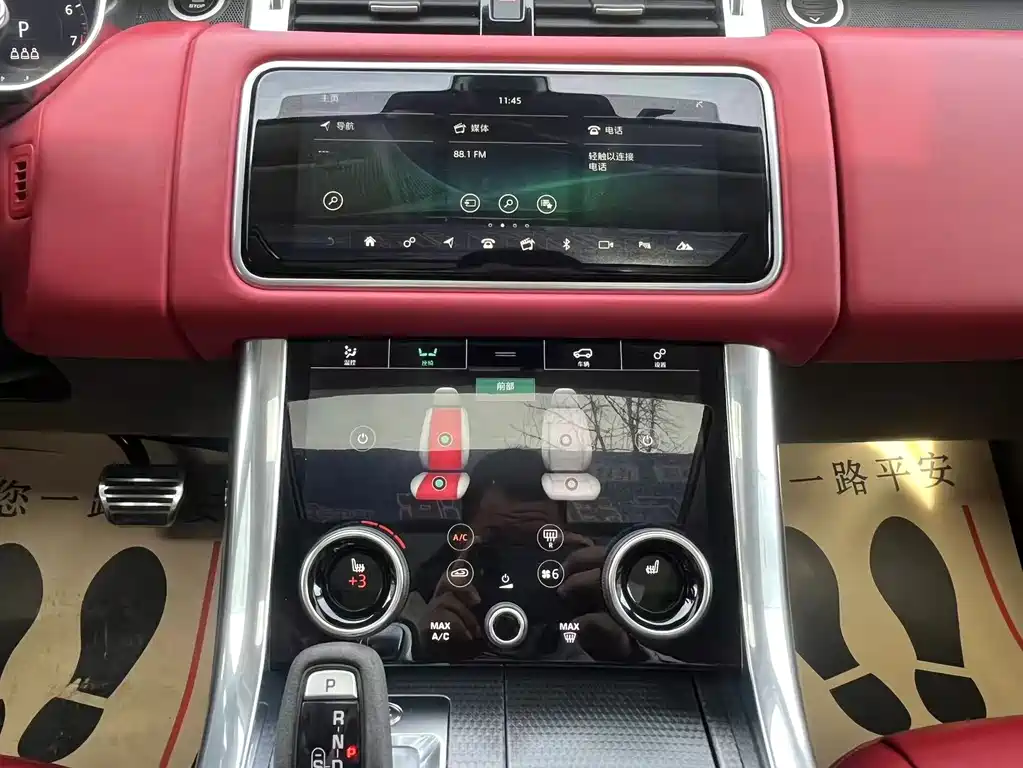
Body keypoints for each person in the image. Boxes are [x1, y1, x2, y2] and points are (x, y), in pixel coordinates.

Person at [403, 448, 645, 661]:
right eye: (496, 544)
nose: (516, 568)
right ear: (463, 540)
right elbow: (382, 668)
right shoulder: (420, 600)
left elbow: (667, 670)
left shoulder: (608, 594)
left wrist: (626, 649)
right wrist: (422, 649)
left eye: (539, 544)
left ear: (568, 537)